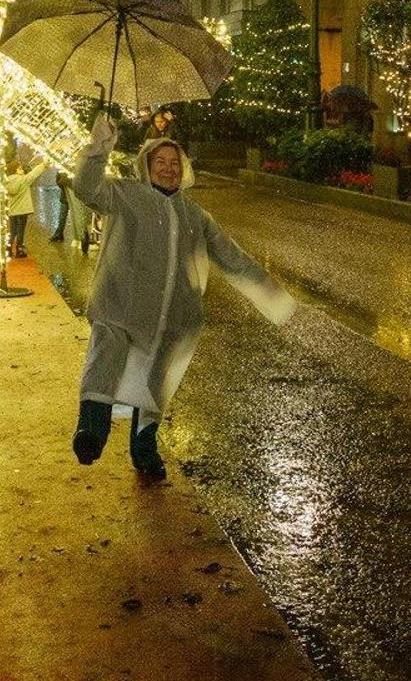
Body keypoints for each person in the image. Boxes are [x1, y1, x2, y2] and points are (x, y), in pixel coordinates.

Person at [70, 114, 296, 480]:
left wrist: (276, 300)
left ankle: (145, 453)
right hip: (121, 308)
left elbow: (232, 258)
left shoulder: (194, 215)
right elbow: (86, 187)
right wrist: (99, 146)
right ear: (146, 165)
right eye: (160, 162)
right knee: (106, 360)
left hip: (174, 318)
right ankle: (91, 432)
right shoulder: (124, 195)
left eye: (175, 163)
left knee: (154, 390)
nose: (169, 169)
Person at [3, 155, 47, 258]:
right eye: (19, 168)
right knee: (21, 230)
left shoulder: (6, 182)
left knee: (13, 229)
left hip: (12, 210)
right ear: (15, 170)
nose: (22, 170)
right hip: (22, 210)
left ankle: (8, 249)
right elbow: (33, 174)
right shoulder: (23, 180)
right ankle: (19, 249)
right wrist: (43, 165)